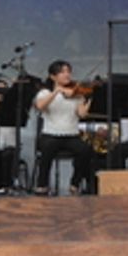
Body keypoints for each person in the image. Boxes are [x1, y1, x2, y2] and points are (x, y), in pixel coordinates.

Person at [33, 60, 96, 194]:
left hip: (71, 134)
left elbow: (82, 114)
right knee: (48, 148)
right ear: (53, 76)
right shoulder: (45, 93)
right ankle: (42, 185)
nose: (67, 75)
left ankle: (75, 183)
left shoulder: (76, 94)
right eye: (62, 72)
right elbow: (40, 106)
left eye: (68, 71)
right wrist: (56, 92)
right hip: (50, 134)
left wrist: (88, 98)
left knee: (85, 150)